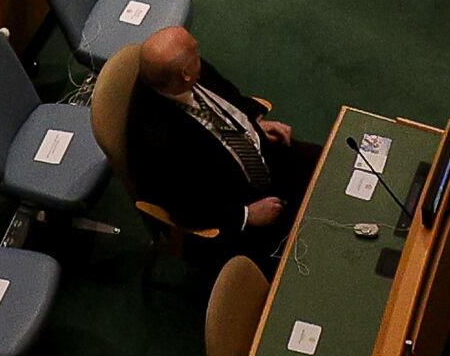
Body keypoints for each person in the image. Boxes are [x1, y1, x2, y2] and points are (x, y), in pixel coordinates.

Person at [118, 24, 313, 265]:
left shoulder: (181, 74)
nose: (199, 52)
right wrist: (246, 215)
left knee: (335, 169)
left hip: (263, 152)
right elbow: (184, 207)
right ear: (185, 75)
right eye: (194, 53)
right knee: (311, 249)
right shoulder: (158, 141)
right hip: (238, 202)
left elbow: (229, 94)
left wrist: (255, 120)